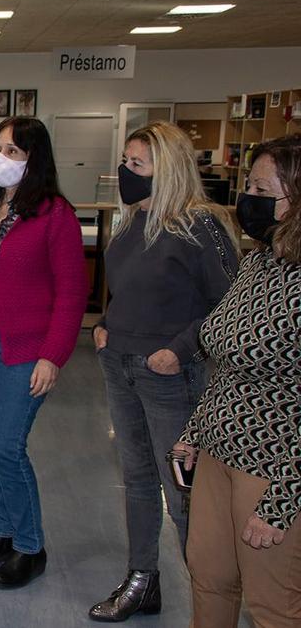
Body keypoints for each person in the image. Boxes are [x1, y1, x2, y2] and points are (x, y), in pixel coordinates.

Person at [88, 122, 240, 622]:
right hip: (120, 365)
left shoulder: (200, 226)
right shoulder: (134, 222)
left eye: (138, 165)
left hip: (171, 377)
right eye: (126, 161)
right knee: (136, 480)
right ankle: (142, 578)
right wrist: (106, 323)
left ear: (168, 170)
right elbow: (132, 291)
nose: (125, 173)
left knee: (183, 493)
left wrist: (179, 348)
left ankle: (211, 596)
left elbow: (230, 306)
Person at [0, 117, 88, 589]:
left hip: (27, 344)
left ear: (34, 160)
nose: (2, 159)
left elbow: (71, 292)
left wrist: (53, 355)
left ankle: (30, 545)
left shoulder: (55, 214)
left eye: (14, 152)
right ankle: (1, 530)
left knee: (8, 444)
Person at [174, 133, 301, 627]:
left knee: (274, 607)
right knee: (209, 579)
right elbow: (226, 362)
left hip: (275, 467)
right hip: (219, 453)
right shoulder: (257, 263)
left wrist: (282, 500)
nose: (248, 198)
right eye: (249, 184)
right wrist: (195, 432)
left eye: (263, 189)